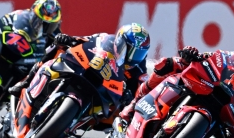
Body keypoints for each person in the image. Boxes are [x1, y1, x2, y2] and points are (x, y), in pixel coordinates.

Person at [8, 23, 151, 111]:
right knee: (57, 47)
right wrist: (68, 39)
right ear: (120, 41)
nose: (132, 57)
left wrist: (129, 99)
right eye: (129, 50)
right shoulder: (106, 40)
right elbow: (85, 40)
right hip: (85, 70)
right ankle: (26, 82)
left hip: (105, 96)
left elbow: (140, 93)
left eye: (138, 53)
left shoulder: (139, 69)